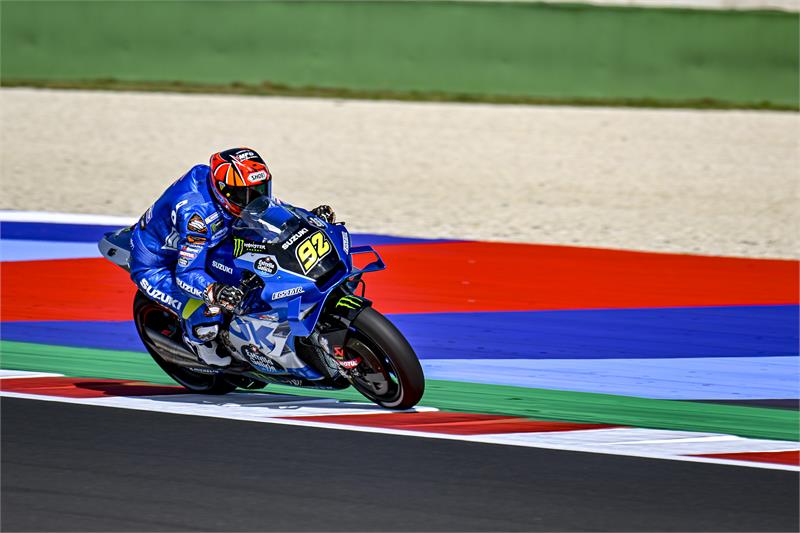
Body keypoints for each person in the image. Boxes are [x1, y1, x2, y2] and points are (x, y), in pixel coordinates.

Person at [130, 147, 335, 367]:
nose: (253, 199)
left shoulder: (240, 193)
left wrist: (309, 220)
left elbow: (275, 208)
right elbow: (186, 273)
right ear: (222, 191)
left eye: (259, 189)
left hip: (212, 241)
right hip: (158, 264)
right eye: (243, 194)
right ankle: (200, 344)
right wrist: (214, 291)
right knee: (209, 309)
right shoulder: (196, 216)